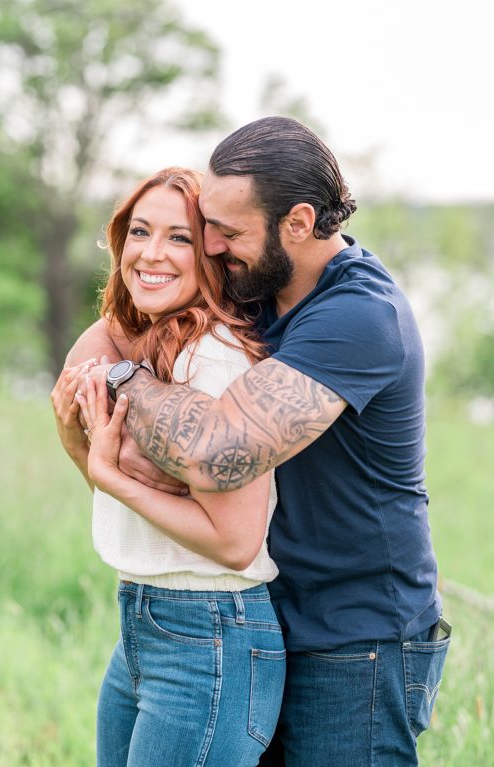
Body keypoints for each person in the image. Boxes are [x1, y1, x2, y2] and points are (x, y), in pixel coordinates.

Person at [64, 117, 449, 766]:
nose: (211, 246)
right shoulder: (254, 288)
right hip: (259, 610)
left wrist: (121, 379)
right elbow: (116, 327)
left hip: (356, 636)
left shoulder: (359, 316)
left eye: (226, 231)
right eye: (206, 225)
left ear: (297, 223)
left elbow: (215, 454)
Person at [51, 167, 286, 766]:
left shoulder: (217, 361)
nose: (150, 253)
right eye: (139, 231)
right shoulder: (146, 347)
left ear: (212, 254)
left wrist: (112, 475)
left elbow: (235, 542)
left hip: (208, 632)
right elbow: (120, 498)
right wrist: (78, 444)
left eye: (179, 237)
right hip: (141, 621)